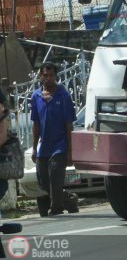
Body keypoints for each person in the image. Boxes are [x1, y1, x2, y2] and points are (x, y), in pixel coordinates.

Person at [30, 62, 79, 216]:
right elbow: (36, 125)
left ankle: (56, 208)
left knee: (56, 176)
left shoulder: (63, 96)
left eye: (51, 75)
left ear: (55, 76)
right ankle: (69, 199)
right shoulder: (36, 96)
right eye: (45, 75)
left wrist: (70, 151)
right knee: (44, 181)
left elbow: (69, 125)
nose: (48, 78)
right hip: (44, 146)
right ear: (40, 76)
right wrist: (34, 148)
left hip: (61, 145)